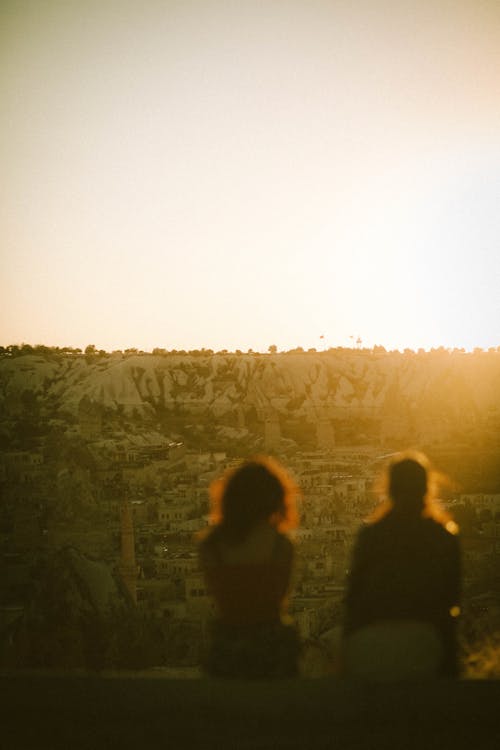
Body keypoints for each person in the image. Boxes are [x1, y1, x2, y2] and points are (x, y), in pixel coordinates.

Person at [343, 451, 461, 680]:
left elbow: (354, 600)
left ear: (389, 489)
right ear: (427, 489)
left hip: (371, 647)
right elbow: (452, 601)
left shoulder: (371, 535)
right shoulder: (444, 536)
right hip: (426, 644)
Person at [198, 456, 300, 678]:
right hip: (273, 649)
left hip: (226, 649)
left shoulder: (211, 545)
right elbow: (280, 597)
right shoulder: (281, 545)